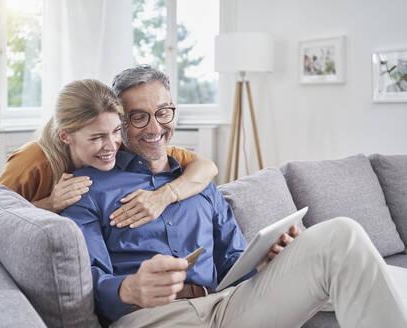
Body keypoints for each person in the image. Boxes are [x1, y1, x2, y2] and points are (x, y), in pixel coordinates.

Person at [61, 66, 407, 327]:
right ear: (119, 123)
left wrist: (267, 260)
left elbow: (234, 264)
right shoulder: (87, 188)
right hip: (152, 318)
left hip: (228, 305)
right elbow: (86, 282)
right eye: (139, 117)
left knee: (341, 235)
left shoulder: (198, 183)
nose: (155, 128)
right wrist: (130, 289)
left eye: (163, 112)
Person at [0, 79, 218, 228]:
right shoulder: (33, 160)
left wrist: (163, 196)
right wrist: (50, 204)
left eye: (115, 131)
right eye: (96, 137)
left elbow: (206, 166)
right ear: (66, 136)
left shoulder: (120, 148)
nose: (111, 145)